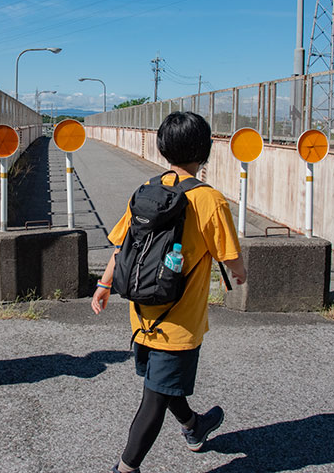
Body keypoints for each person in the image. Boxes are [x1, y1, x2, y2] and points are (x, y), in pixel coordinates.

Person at [91, 111, 247, 473]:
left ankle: (195, 426)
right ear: (205, 151)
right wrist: (240, 276)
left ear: (162, 148)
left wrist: (103, 284)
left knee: (161, 383)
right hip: (178, 322)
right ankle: (126, 469)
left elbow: (122, 246)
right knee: (155, 397)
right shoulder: (211, 201)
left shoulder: (146, 190)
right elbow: (232, 260)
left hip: (142, 312)